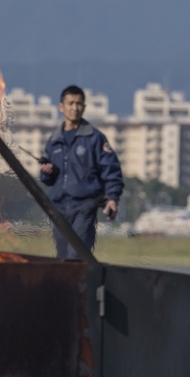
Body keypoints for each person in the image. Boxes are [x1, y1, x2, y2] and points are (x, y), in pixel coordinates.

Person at [39, 85, 124, 260]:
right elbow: (46, 179)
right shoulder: (54, 141)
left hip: (84, 207)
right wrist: (47, 173)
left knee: (76, 255)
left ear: (84, 107)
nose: (74, 108)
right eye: (70, 103)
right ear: (61, 107)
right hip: (59, 208)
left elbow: (111, 168)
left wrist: (113, 198)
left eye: (79, 104)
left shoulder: (94, 138)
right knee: (62, 255)